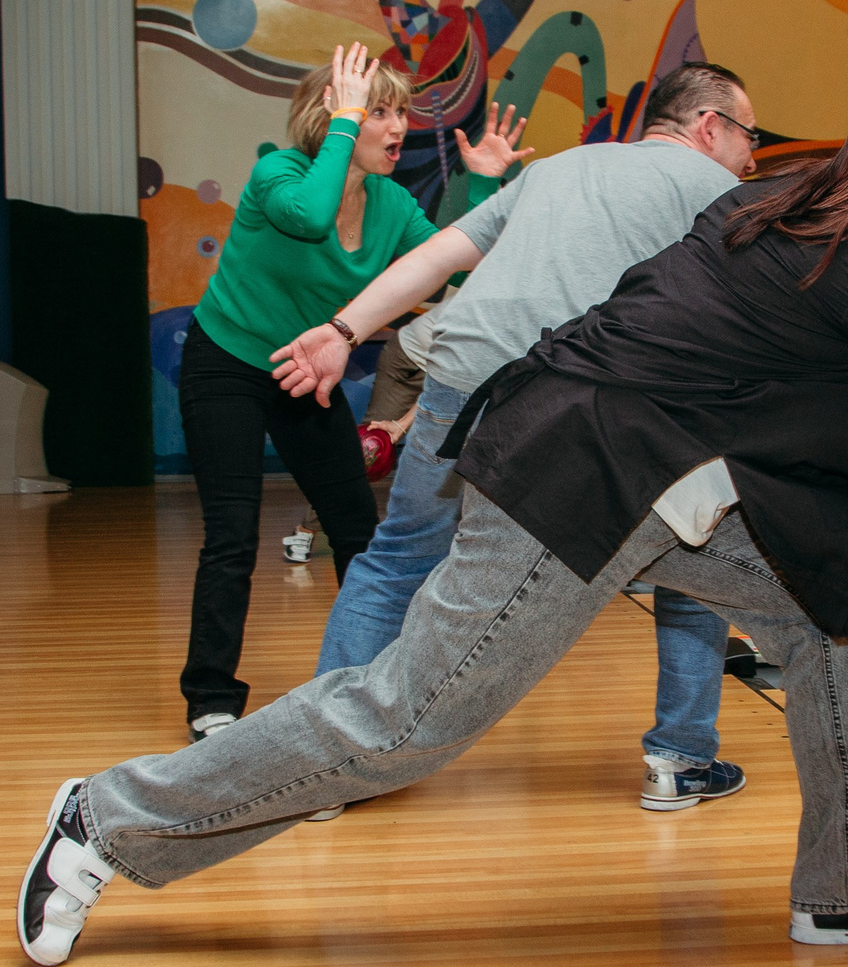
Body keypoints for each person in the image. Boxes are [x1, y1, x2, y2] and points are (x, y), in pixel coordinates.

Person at [15, 43, 848, 967]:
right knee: (410, 718)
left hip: (680, 476)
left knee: (844, 599)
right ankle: (105, 820)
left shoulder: (826, 208)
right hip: (581, 468)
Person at [274, 62, 762, 811]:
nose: (753, 157)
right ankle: (682, 757)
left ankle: (314, 768)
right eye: (749, 136)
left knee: (398, 557)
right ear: (707, 126)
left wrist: (347, 329)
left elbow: (439, 258)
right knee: (692, 555)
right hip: (576, 397)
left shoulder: (563, 166)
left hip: (463, 367)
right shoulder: (717, 193)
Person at [174, 41, 516, 742]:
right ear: (336, 116)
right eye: (379, 112)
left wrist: (479, 183)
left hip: (309, 374)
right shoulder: (279, 173)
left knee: (359, 529)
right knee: (233, 535)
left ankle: (374, 686)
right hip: (228, 364)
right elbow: (307, 215)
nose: (399, 128)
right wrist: (344, 120)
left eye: (402, 114)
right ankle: (211, 695)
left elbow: (452, 269)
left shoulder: (390, 204)